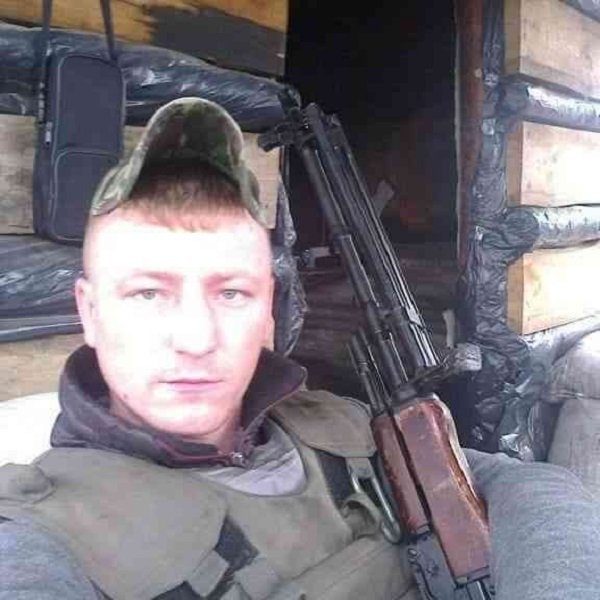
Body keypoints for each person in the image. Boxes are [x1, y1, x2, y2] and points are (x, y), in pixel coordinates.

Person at [1, 97, 599, 600]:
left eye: (231, 293)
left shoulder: (343, 423)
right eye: (149, 293)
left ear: (269, 310)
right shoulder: (40, 534)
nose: (196, 338)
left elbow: (524, 485)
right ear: (90, 311)